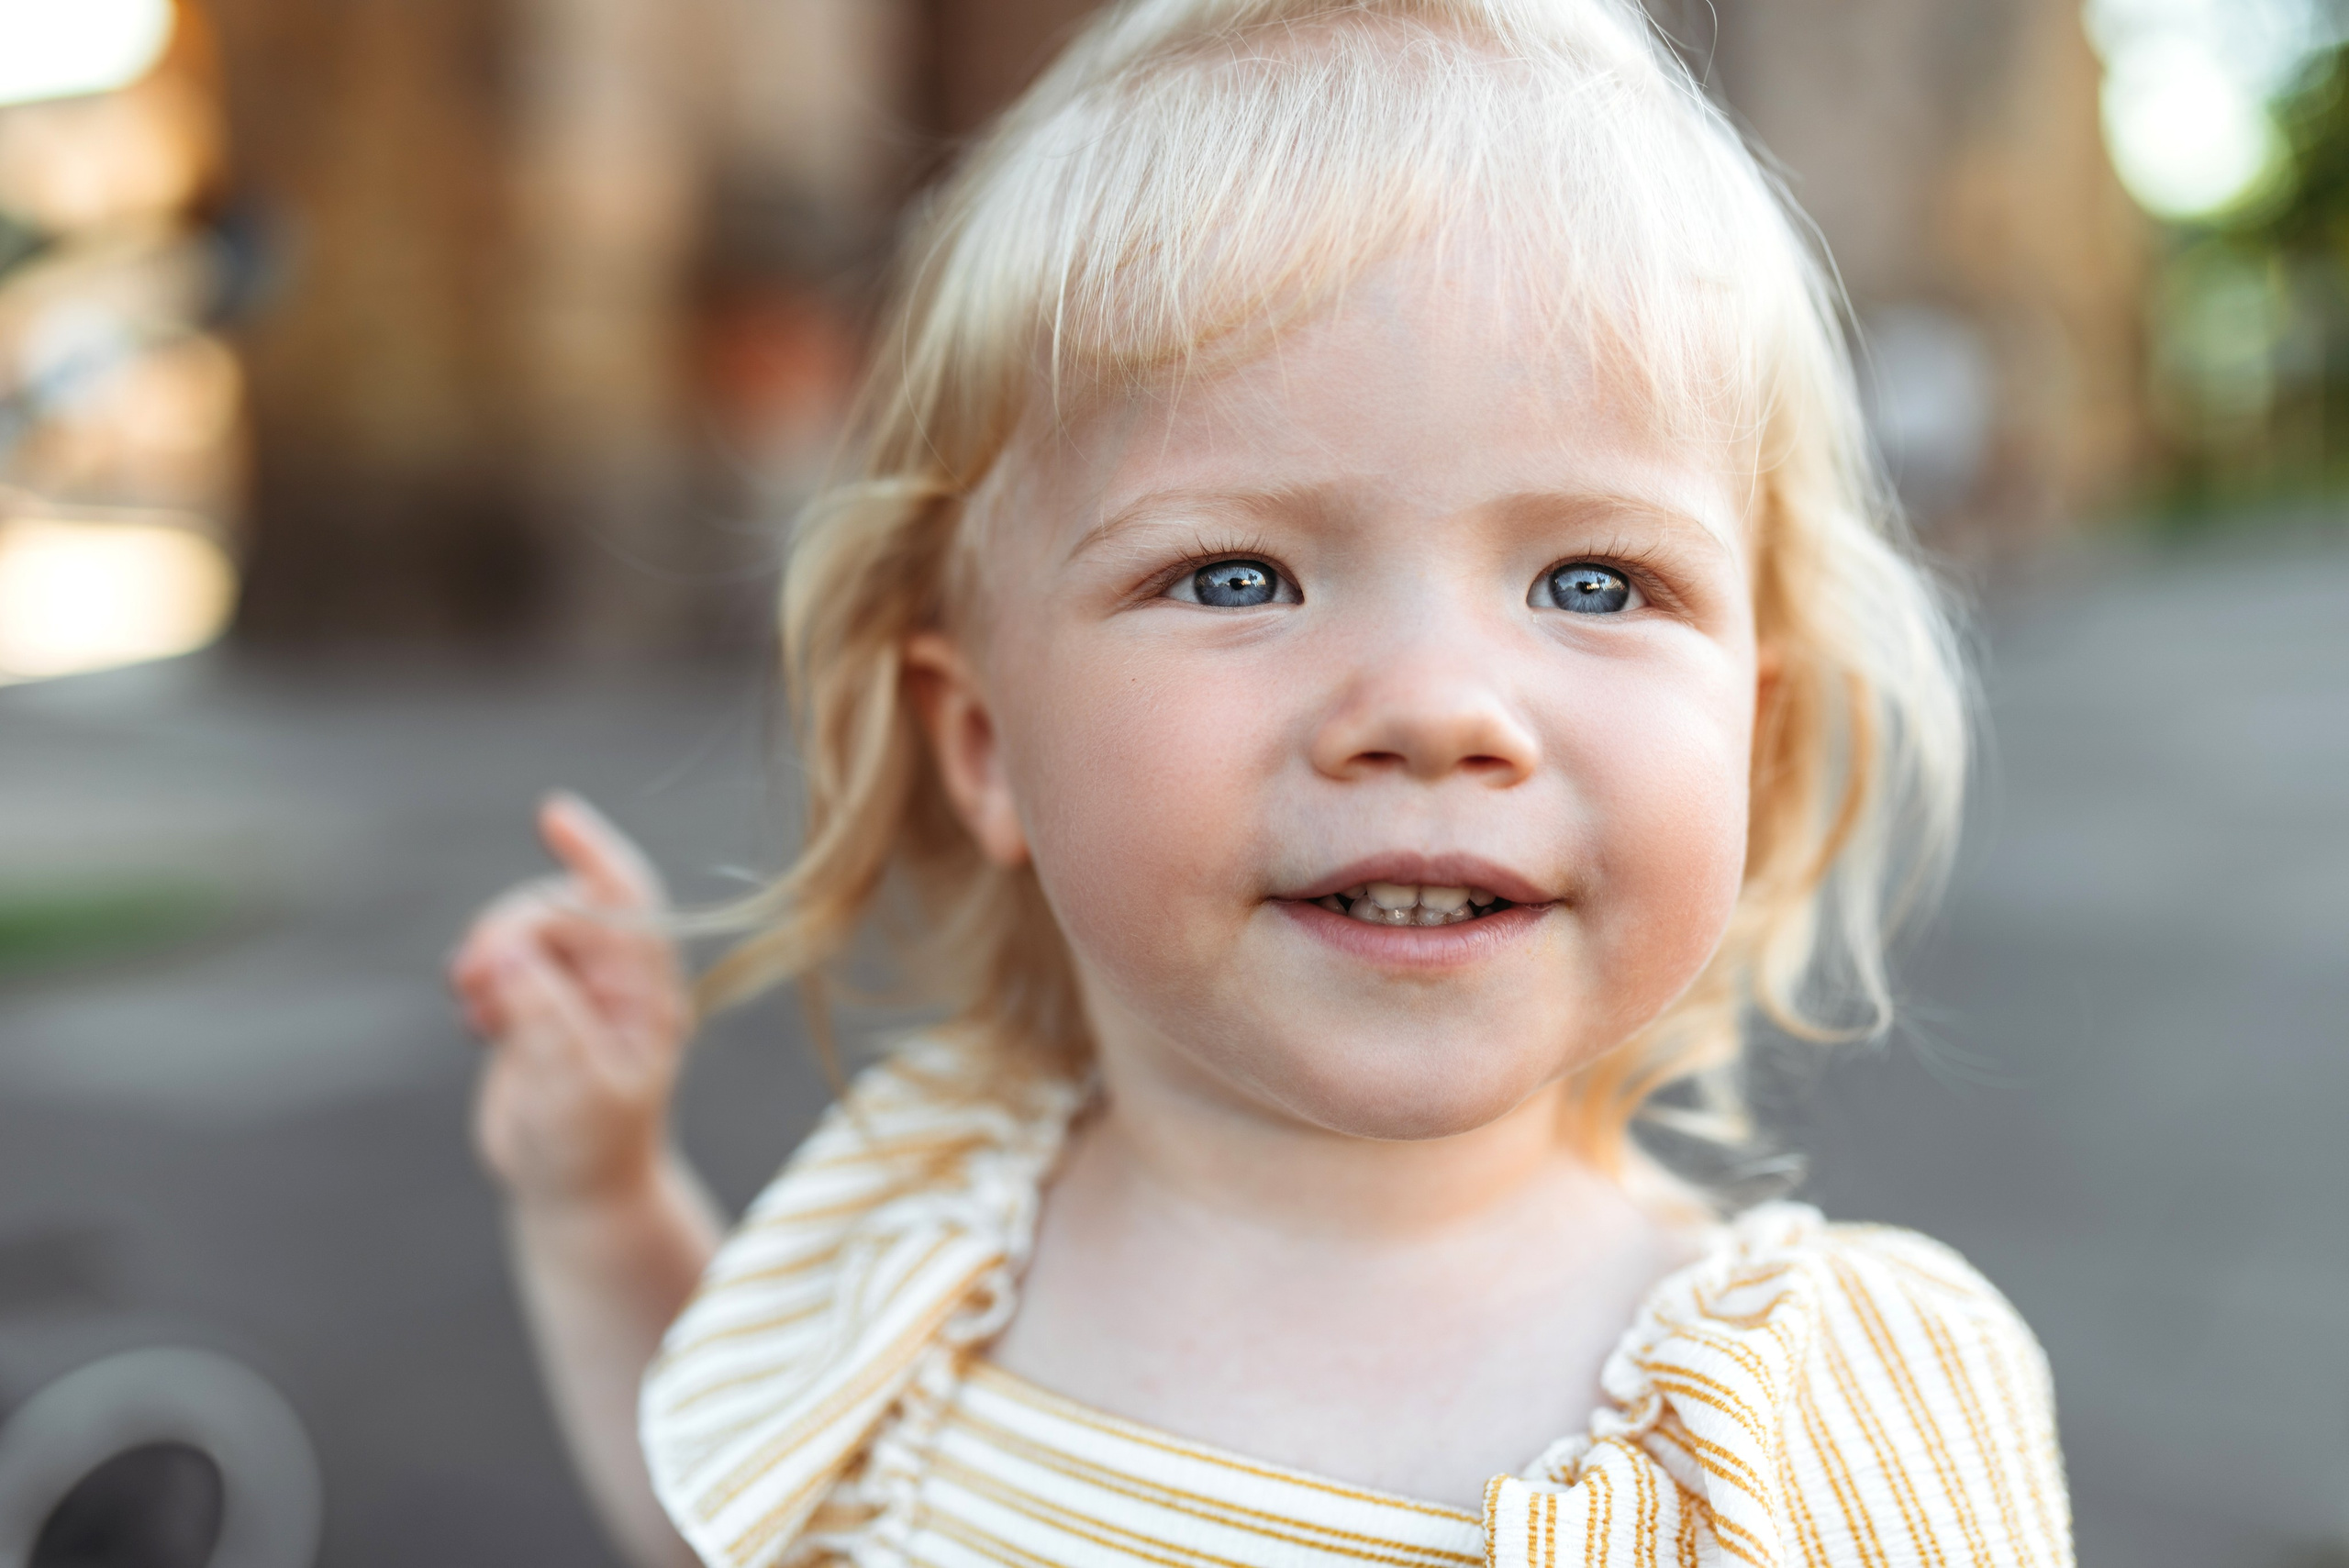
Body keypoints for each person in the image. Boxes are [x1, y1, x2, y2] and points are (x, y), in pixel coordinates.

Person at [450, 2, 2071, 1564]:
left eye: (1592, 582)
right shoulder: (932, 1226)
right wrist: (596, 1199)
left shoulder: (1796, 1435)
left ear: (1758, 737)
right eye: (1237, 578)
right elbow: (727, 1512)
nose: (1437, 708)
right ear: (985, 745)